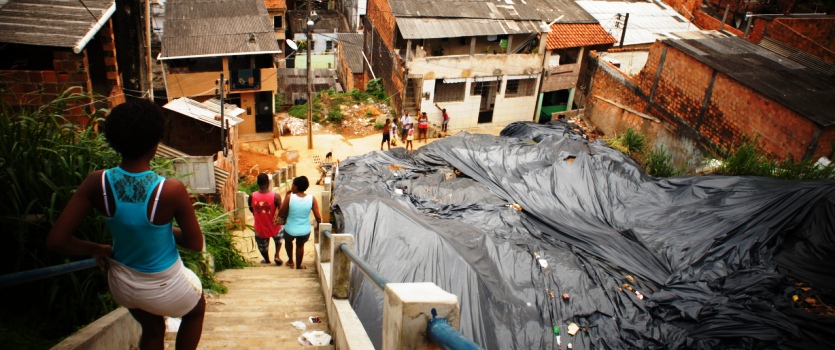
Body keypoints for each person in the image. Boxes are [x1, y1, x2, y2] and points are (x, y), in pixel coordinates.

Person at [46, 99, 206, 350]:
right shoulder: (171, 190)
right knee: (195, 310)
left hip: (123, 284)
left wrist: (96, 248)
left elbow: (56, 240)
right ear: (155, 144)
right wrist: (163, 229)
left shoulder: (96, 182)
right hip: (165, 284)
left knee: (153, 328)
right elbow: (196, 244)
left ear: (114, 141)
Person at [277, 176, 322, 270]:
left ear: (296, 187)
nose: (291, 186)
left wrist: (286, 197)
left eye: (293, 184)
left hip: (289, 229)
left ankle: (290, 261)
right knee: (300, 246)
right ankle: (298, 266)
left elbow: (281, 212)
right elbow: (318, 216)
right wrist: (319, 226)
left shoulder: (290, 197)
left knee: (288, 242)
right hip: (304, 230)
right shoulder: (311, 198)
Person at [248, 173, 283, 265]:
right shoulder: (276, 196)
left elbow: (251, 208)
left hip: (260, 226)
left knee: (262, 246)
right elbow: (282, 210)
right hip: (274, 226)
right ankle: (277, 255)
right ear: (268, 183)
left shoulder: (252, 196)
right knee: (279, 238)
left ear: (257, 183)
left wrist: (258, 214)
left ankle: (266, 259)